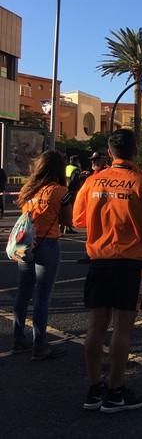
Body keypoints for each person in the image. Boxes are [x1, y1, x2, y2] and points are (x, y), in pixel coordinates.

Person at [73, 129, 142, 413]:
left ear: (110, 151)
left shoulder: (92, 181)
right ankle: (115, 392)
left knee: (95, 326)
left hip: (98, 261)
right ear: (135, 150)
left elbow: (78, 219)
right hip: (129, 262)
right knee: (123, 328)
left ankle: (94, 390)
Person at [12, 151, 72, 360]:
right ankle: (40, 345)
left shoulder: (28, 190)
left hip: (26, 243)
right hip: (48, 243)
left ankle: (18, 337)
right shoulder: (60, 191)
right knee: (42, 297)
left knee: (23, 292)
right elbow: (67, 221)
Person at [63, 155, 81, 234]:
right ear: (76, 161)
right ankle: (68, 227)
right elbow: (75, 181)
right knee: (71, 209)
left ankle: (62, 227)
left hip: (64, 189)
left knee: (64, 208)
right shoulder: (76, 169)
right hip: (72, 190)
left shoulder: (67, 167)